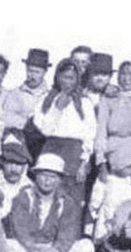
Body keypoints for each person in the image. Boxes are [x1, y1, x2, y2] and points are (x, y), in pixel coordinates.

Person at [3, 153, 95, 252]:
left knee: (87, 247)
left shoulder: (67, 202)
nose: (47, 181)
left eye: (53, 177)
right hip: (29, 250)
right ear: (36, 176)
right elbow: (19, 230)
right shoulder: (24, 196)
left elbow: (67, 233)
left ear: (59, 179)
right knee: (8, 244)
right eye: (43, 175)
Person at [89, 61, 131, 241]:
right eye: (123, 74)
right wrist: (101, 162)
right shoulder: (109, 99)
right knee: (105, 211)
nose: (126, 78)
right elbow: (101, 132)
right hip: (112, 167)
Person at [31, 58, 96, 220]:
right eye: (64, 77)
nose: (67, 82)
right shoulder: (46, 100)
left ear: (77, 80)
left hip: (74, 154)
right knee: (48, 195)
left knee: (72, 199)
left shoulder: (84, 102)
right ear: (57, 77)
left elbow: (90, 133)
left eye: (71, 78)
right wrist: (57, 108)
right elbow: (44, 129)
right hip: (51, 150)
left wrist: (84, 162)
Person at [0, 130, 33, 221]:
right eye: (10, 162)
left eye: (18, 164)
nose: (13, 169)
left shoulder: (31, 189)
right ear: (2, 162)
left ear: (25, 166)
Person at [3, 48, 52, 128]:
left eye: (37, 72)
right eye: (30, 71)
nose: (33, 76)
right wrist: (29, 125)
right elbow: (8, 117)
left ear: (45, 72)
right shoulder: (15, 94)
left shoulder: (51, 95)